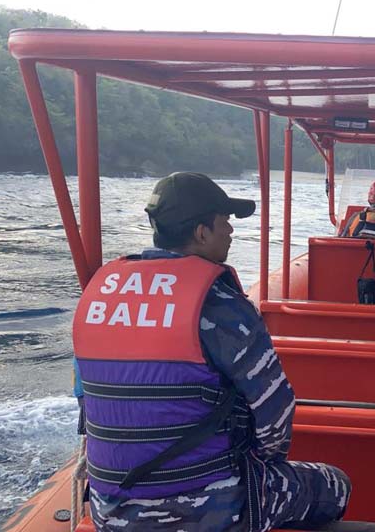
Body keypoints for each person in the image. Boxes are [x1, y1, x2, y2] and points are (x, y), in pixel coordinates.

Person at [73, 172, 350, 532]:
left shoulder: (97, 299)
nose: (231, 231)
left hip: (109, 511)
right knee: (336, 484)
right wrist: (263, 463)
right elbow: (277, 414)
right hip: (209, 510)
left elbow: (87, 407)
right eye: (225, 222)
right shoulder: (220, 305)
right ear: (202, 232)